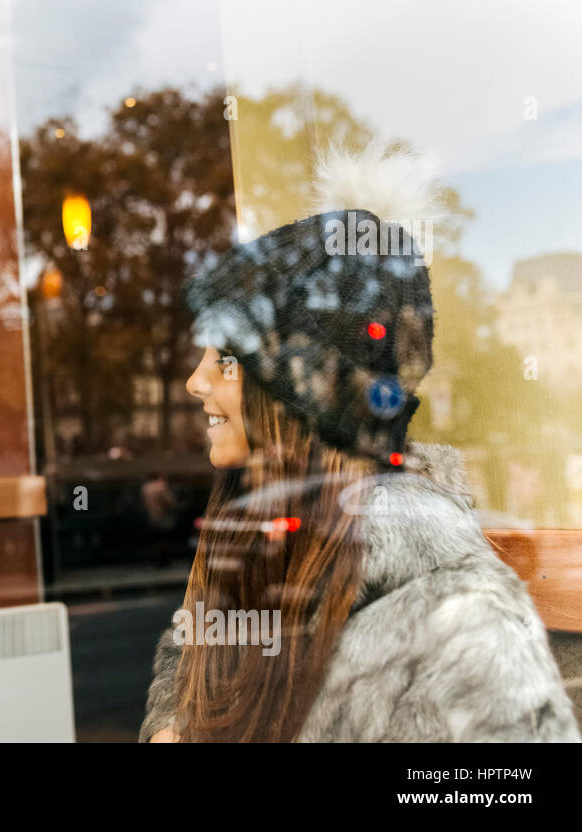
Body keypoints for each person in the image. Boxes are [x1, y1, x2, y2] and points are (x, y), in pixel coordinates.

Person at [140, 141, 580, 742]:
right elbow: (184, 674)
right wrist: (172, 727)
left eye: (227, 360)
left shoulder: (461, 619)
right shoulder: (245, 553)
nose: (195, 381)